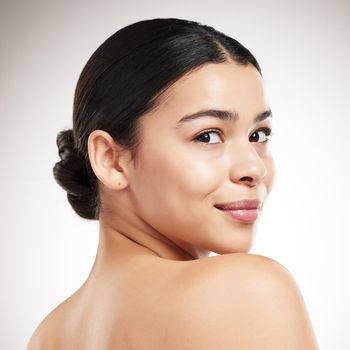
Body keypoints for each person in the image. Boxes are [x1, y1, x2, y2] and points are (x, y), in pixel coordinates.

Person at [27, 17, 319, 349]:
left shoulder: (47, 336)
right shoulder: (247, 290)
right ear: (111, 159)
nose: (254, 167)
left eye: (258, 135)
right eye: (208, 136)